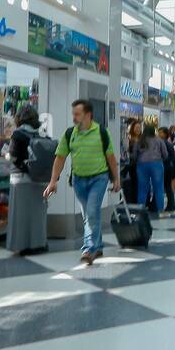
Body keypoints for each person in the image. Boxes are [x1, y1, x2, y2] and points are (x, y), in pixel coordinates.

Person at [44, 99, 120, 266]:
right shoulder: (70, 133)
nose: (74, 117)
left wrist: (116, 179)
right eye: (73, 114)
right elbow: (60, 158)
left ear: (88, 114)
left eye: (77, 114)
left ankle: (89, 249)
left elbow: (111, 158)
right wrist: (53, 181)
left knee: (91, 212)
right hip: (79, 180)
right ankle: (98, 246)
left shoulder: (101, 132)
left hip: (99, 178)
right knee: (89, 215)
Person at [5, 104, 47, 255]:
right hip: (40, 180)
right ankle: (39, 243)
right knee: (38, 215)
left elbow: (14, 156)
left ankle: (21, 245)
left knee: (20, 215)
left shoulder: (18, 135)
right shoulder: (41, 134)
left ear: (19, 118)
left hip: (20, 179)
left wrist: (7, 155)